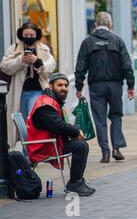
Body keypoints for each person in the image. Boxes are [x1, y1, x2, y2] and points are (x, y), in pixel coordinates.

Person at [75, 12, 135, 163]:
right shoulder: (117, 41)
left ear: (95, 25)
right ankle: (117, 147)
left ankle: (105, 152)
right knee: (116, 116)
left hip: (96, 86)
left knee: (100, 119)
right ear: (110, 25)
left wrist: (78, 87)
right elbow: (127, 65)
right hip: (115, 85)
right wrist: (131, 85)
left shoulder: (87, 42)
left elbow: (80, 67)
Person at [27, 73, 95, 196]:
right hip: (43, 146)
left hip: (50, 142)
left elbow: (58, 126)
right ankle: (74, 184)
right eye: (59, 85)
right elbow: (57, 125)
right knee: (81, 146)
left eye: (66, 85)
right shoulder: (45, 104)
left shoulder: (52, 101)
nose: (63, 88)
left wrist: (72, 134)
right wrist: (75, 132)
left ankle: (76, 182)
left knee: (80, 144)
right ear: (51, 86)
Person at [0, 22, 56, 150]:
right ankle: (27, 152)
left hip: (37, 91)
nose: (29, 37)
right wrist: (21, 61)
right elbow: (4, 67)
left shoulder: (44, 49)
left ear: (37, 35)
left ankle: (32, 152)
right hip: (19, 92)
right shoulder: (14, 49)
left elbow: (51, 67)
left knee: (32, 121)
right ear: (21, 34)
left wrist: (38, 61)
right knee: (22, 124)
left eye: (32, 35)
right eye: (26, 35)